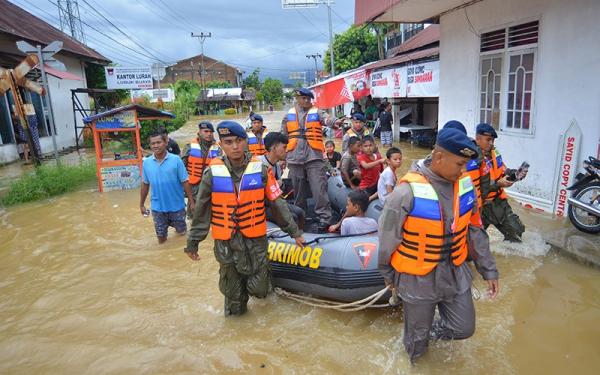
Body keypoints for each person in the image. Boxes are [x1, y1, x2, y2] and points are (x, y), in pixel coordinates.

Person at [378, 127, 499, 363]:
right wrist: (388, 274)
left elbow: (475, 230)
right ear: (439, 157)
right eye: (460, 164)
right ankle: (416, 346)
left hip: (455, 270)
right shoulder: (405, 192)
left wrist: (488, 269)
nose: (464, 170)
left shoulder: (465, 186)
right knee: (417, 347)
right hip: (417, 277)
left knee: (464, 327)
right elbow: (387, 236)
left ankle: (420, 331)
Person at [185, 121, 305, 316]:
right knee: (233, 295)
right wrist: (193, 242)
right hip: (226, 241)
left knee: (259, 288)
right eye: (229, 142)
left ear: (245, 142)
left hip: (255, 238)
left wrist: (295, 233)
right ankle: (237, 326)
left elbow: (277, 203)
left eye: (239, 141)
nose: (234, 147)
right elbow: (201, 212)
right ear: (221, 145)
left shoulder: (260, 170)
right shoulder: (212, 173)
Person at [281, 88, 337, 233]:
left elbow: (327, 119)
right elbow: (282, 137)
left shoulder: (317, 112)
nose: (306, 101)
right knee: (299, 191)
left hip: (314, 156)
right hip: (294, 157)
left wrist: (335, 122)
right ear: (297, 99)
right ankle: (300, 216)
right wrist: (282, 158)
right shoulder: (289, 115)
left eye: (308, 98)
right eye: (303, 98)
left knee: (319, 189)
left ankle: (324, 219)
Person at [140, 131, 195, 244]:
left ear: (165, 143)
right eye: (153, 143)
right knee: (161, 239)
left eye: (158, 142)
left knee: (182, 235)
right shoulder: (147, 163)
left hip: (177, 207)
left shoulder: (176, 160)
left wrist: (191, 201)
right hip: (157, 208)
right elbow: (145, 184)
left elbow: (185, 181)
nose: (156, 145)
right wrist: (141, 204)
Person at [475, 123, 526, 242]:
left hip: (498, 202)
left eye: (492, 140)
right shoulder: (472, 159)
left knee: (516, 233)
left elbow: (503, 170)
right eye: (488, 140)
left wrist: (516, 174)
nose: (491, 143)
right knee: (472, 246)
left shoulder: (494, 152)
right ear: (478, 138)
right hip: (481, 206)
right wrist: (498, 184)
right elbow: (476, 188)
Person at [260, 132, 306, 230]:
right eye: (284, 148)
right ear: (274, 148)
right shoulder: (259, 165)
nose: (287, 151)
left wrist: (279, 184)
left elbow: (279, 188)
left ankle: (303, 236)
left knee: (300, 212)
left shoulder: (276, 166)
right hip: (261, 206)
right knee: (292, 217)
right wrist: (276, 184)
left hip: (273, 203)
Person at [181, 121, 221, 218]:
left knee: (211, 213)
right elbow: (182, 168)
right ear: (199, 132)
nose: (209, 134)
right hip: (193, 187)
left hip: (211, 186)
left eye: (211, 132)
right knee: (193, 215)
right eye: (206, 131)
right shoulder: (189, 147)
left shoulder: (218, 148)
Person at [358, 136, 385, 200]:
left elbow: (382, 172)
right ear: (361, 148)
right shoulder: (361, 157)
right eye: (365, 146)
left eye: (370, 145)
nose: (368, 148)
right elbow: (366, 166)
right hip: (366, 187)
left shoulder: (378, 156)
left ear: (375, 146)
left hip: (376, 185)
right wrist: (379, 161)